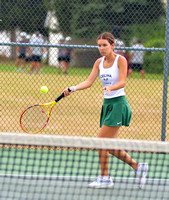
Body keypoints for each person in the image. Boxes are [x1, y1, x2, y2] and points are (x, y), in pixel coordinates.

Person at [63, 32, 148, 189]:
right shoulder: (98, 62)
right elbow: (89, 81)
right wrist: (72, 88)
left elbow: (122, 81)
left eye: (105, 45)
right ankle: (138, 167)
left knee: (100, 141)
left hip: (118, 105)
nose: (101, 48)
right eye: (99, 45)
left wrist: (111, 87)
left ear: (112, 45)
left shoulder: (120, 60)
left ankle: (105, 177)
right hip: (107, 105)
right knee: (108, 145)